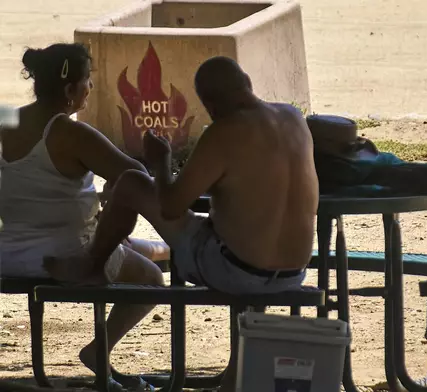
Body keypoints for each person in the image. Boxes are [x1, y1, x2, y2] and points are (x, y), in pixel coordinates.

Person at [44, 56, 320, 390]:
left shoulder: (224, 132)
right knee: (237, 233)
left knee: (132, 182)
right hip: (292, 273)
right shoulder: (293, 118)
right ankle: (233, 376)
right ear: (246, 81)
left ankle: (94, 263)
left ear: (211, 105)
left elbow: (173, 206)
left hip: (236, 271)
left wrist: (162, 162)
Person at [0, 43, 165, 391]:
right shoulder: (69, 133)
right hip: (70, 255)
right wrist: (111, 195)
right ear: (69, 89)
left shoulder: (7, 120)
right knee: (152, 279)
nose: (90, 88)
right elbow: (134, 176)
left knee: (138, 246)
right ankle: (97, 350)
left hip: (10, 254)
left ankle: (161, 248)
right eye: (87, 81)